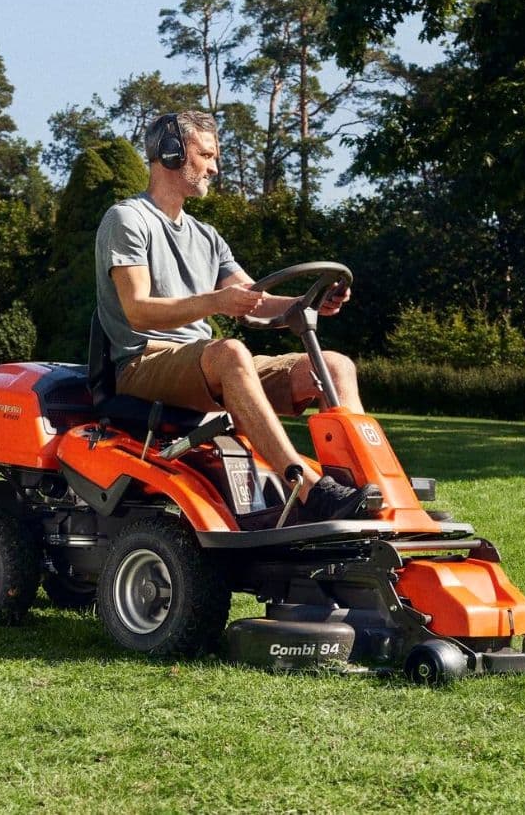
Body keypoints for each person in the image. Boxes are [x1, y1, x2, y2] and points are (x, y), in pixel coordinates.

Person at [94, 106, 371, 527]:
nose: (215, 168)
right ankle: (306, 488)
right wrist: (216, 302)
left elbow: (254, 301)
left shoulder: (207, 236)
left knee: (334, 366)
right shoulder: (127, 219)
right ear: (172, 153)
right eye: (206, 155)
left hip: (204, 363)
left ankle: (361, 488)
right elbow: (137, 308)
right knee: (231, 353)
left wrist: (309, 302)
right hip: (144, 361)